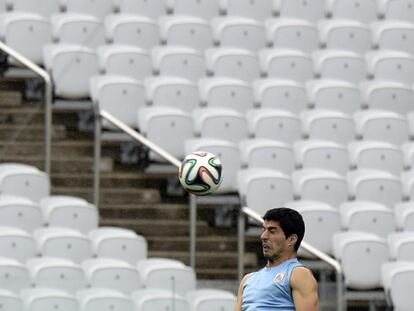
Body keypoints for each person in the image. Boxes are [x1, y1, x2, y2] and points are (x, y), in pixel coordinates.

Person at [234, 207, 319, 311]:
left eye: (272, 231)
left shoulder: (299, 274)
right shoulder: (247, 279)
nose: (263, 236)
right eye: (264, 229)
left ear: (291, 239)